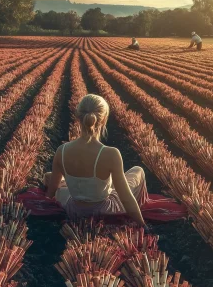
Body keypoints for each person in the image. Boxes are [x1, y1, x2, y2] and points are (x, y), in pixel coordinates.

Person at [44, 94, 146, 225]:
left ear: (78, 118)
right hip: (104, 210)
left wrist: (47, 202)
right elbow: (126, 198)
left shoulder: (61, 151)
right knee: (138, 171)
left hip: (74, 209)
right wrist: (142, 224)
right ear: (103, 120)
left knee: (49, 177)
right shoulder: (111, 154)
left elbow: (51, 191)